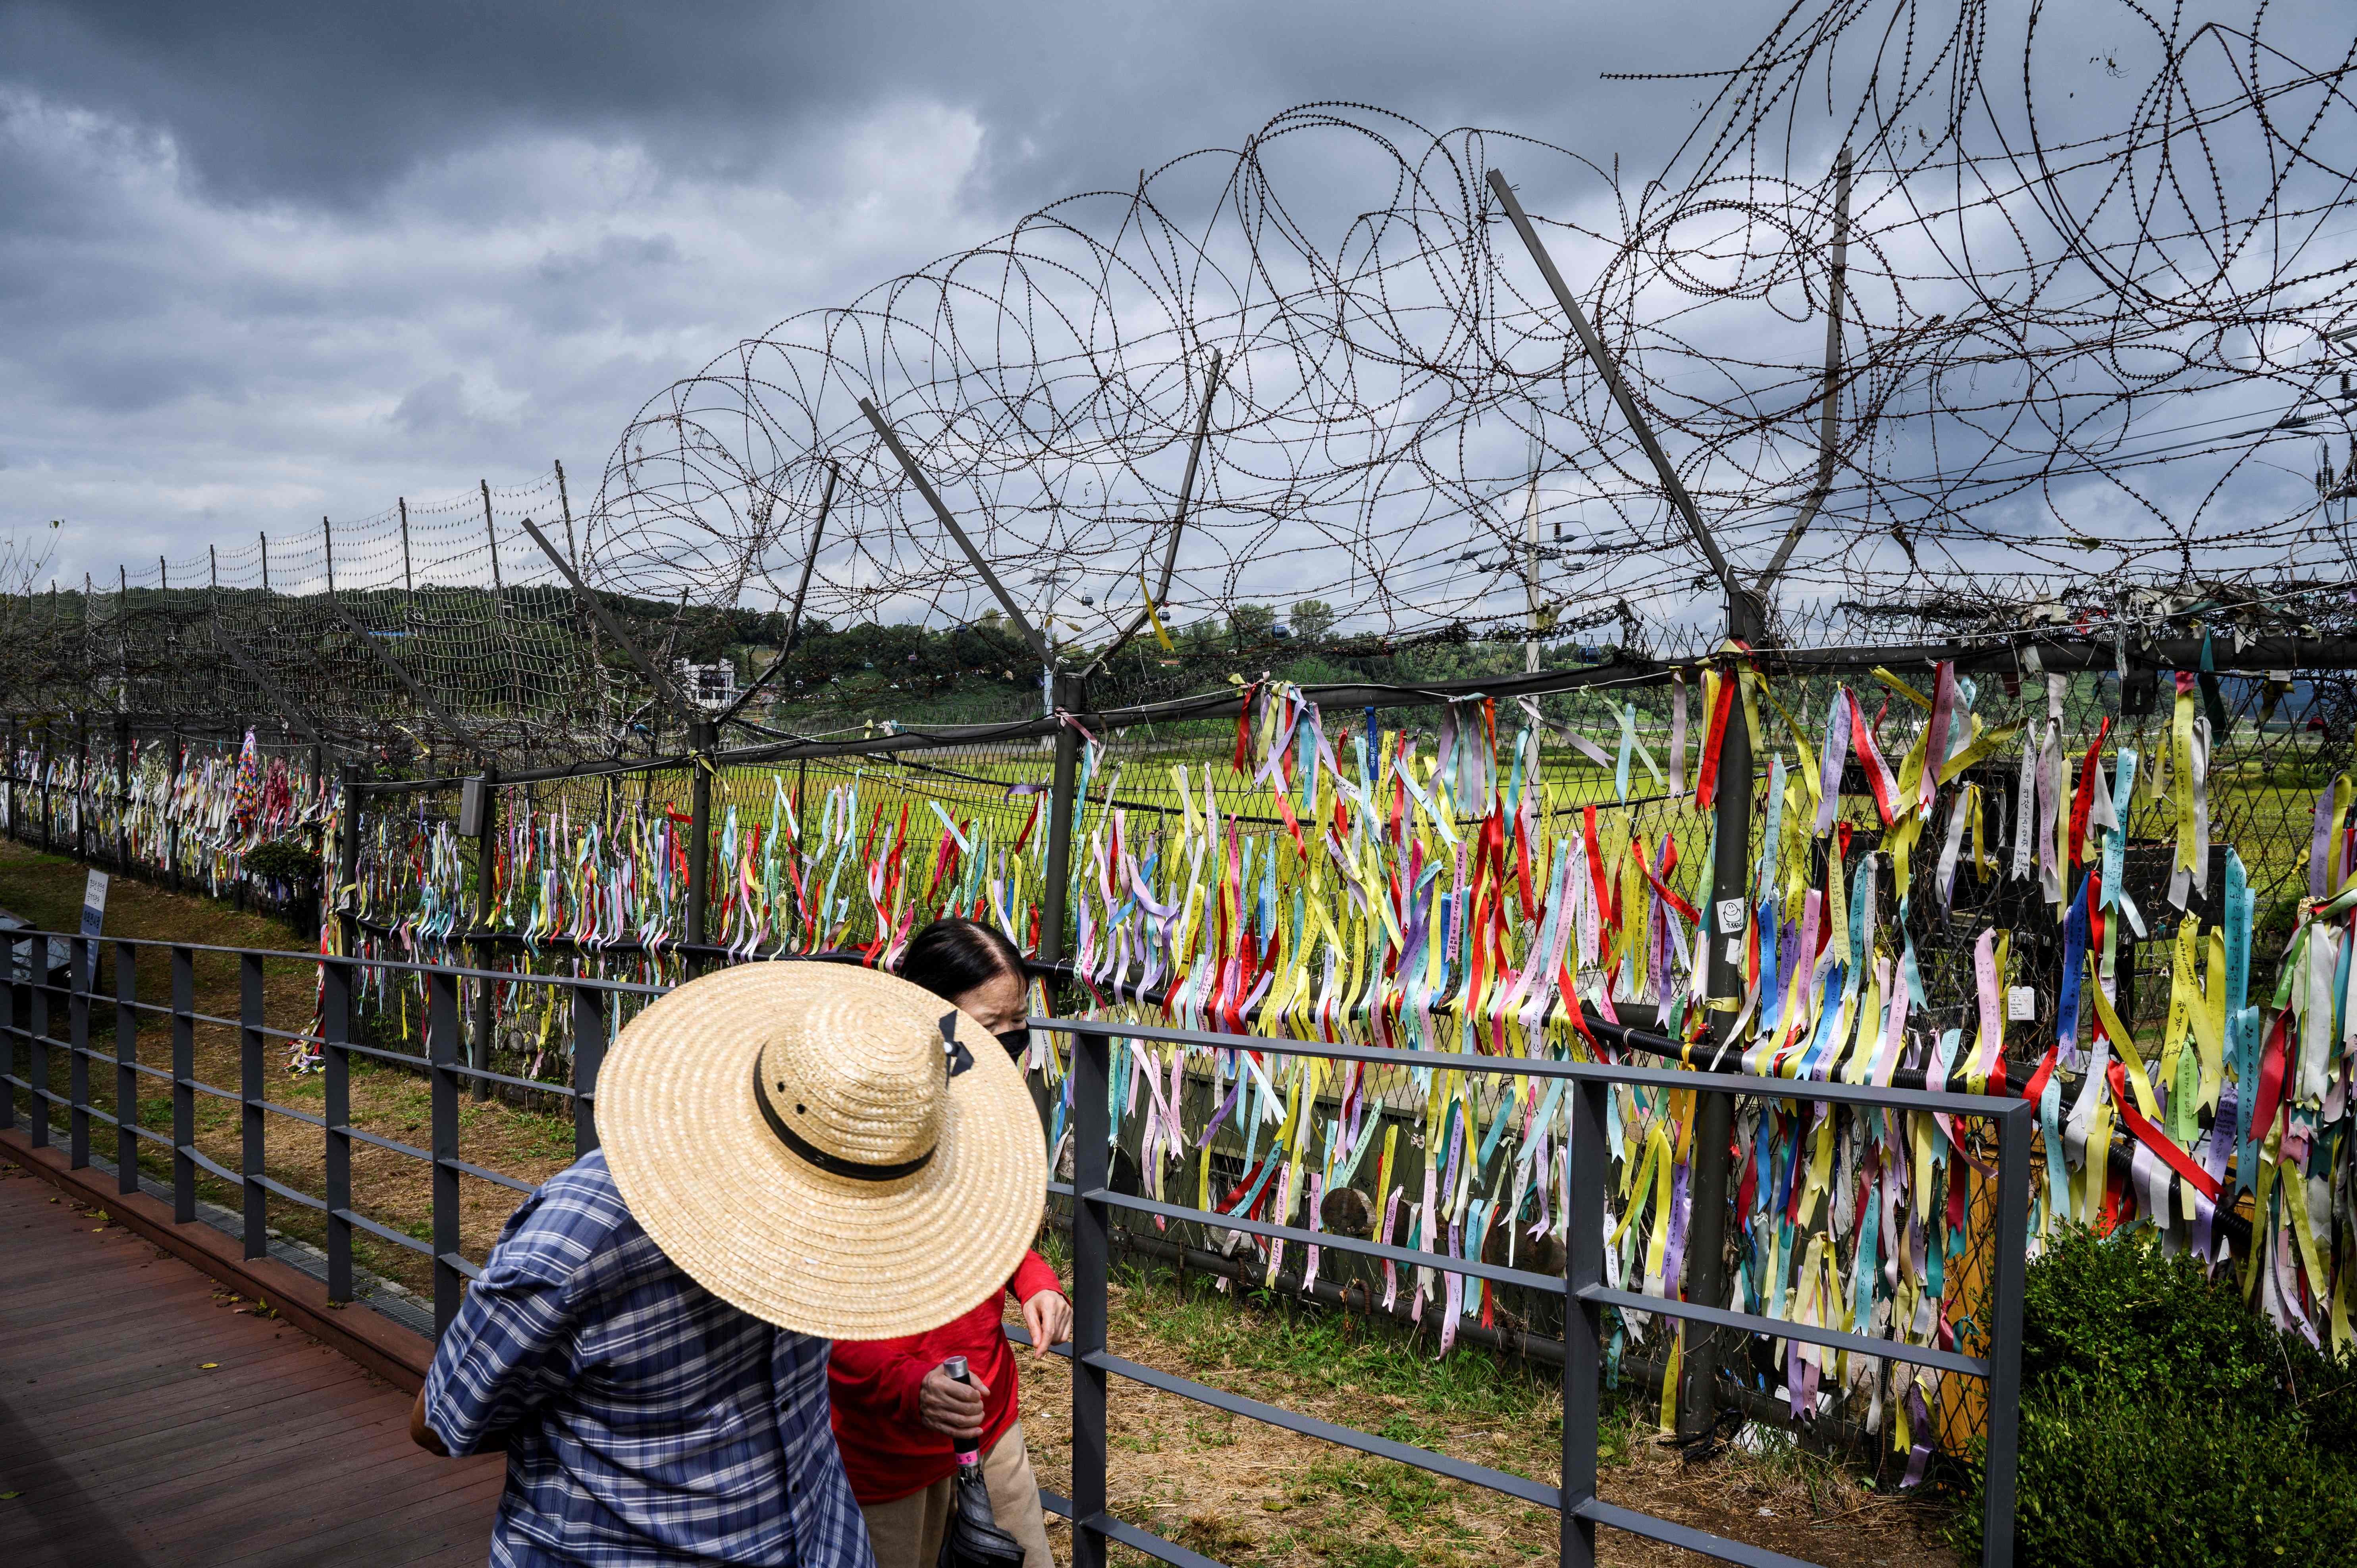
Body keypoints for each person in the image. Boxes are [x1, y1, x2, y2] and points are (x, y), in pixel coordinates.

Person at [411, 961, 1047, 1568]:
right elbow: (443, 1418)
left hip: (823, 1539)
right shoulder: (586, 1238)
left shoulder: (840, 1232)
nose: (853, 1231)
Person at [827, 919, 1069, 1568]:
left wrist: (1033, 1277)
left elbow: (982, 1223)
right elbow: (822, 1308)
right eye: (990, 1026)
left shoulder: (987, 1111)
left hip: (989, 1421)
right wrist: (911, 1385)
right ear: (929, 1016)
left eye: (1018, 1025)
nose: (1008, 1043)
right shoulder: (855, 1129)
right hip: (885, 1452)